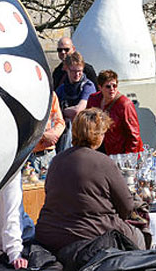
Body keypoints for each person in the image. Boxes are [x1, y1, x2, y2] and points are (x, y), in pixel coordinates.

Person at [35, 108, 147, 253]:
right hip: (88, 236)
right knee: (138, 235)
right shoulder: (104, 162)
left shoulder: (57, 160)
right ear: (98, 135)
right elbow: (126, 207)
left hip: (50, 233)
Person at [87, 70, 144, 154]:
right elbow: (87, 123)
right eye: (108, 86)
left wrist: (128, 158)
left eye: (115, 86)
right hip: (98, 147)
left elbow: (134, 135)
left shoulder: (125, 104)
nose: (112, 89)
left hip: (118, 152)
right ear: (100, 87)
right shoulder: (93, 99)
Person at [55, 52, 96, 152]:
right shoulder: (62, 89)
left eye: (80, 71)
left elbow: (78, 111)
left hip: (84, 135)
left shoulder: (87, 86)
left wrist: (62, 112)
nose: (77, 74)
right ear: (67, 69)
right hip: (65, 136)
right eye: (73, 71)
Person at [28, 92, 65, 174]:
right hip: (28, 158)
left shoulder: (50, 94)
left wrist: (53, 135)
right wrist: (43, 135)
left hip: (49, 155)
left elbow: (60, 122)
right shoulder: (22, 94)